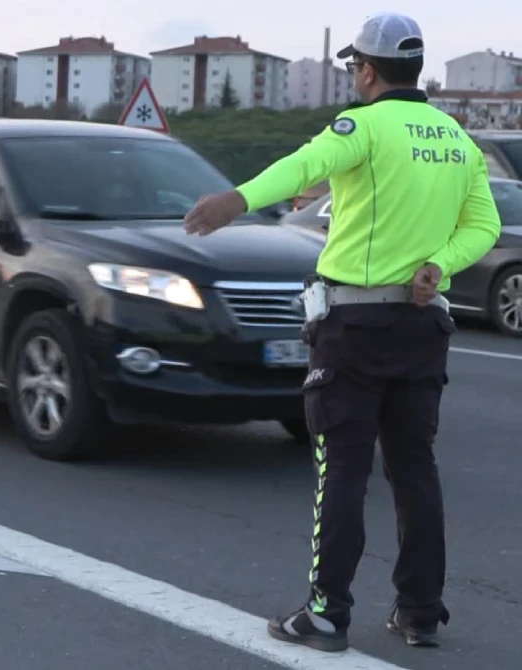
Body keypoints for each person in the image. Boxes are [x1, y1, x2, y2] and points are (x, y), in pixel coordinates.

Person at [181, 12, 500, 653]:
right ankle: (420, 612)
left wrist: (235, 200)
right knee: (414, 469)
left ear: (368, 70)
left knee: (343, 469)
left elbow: (304, 164)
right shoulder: (456, 138)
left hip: (354, 327)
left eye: (355, 65)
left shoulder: (363, 127)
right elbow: (483, 226)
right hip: (422, 327)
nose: (355, 75)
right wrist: (438, 267)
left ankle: (327, 612)